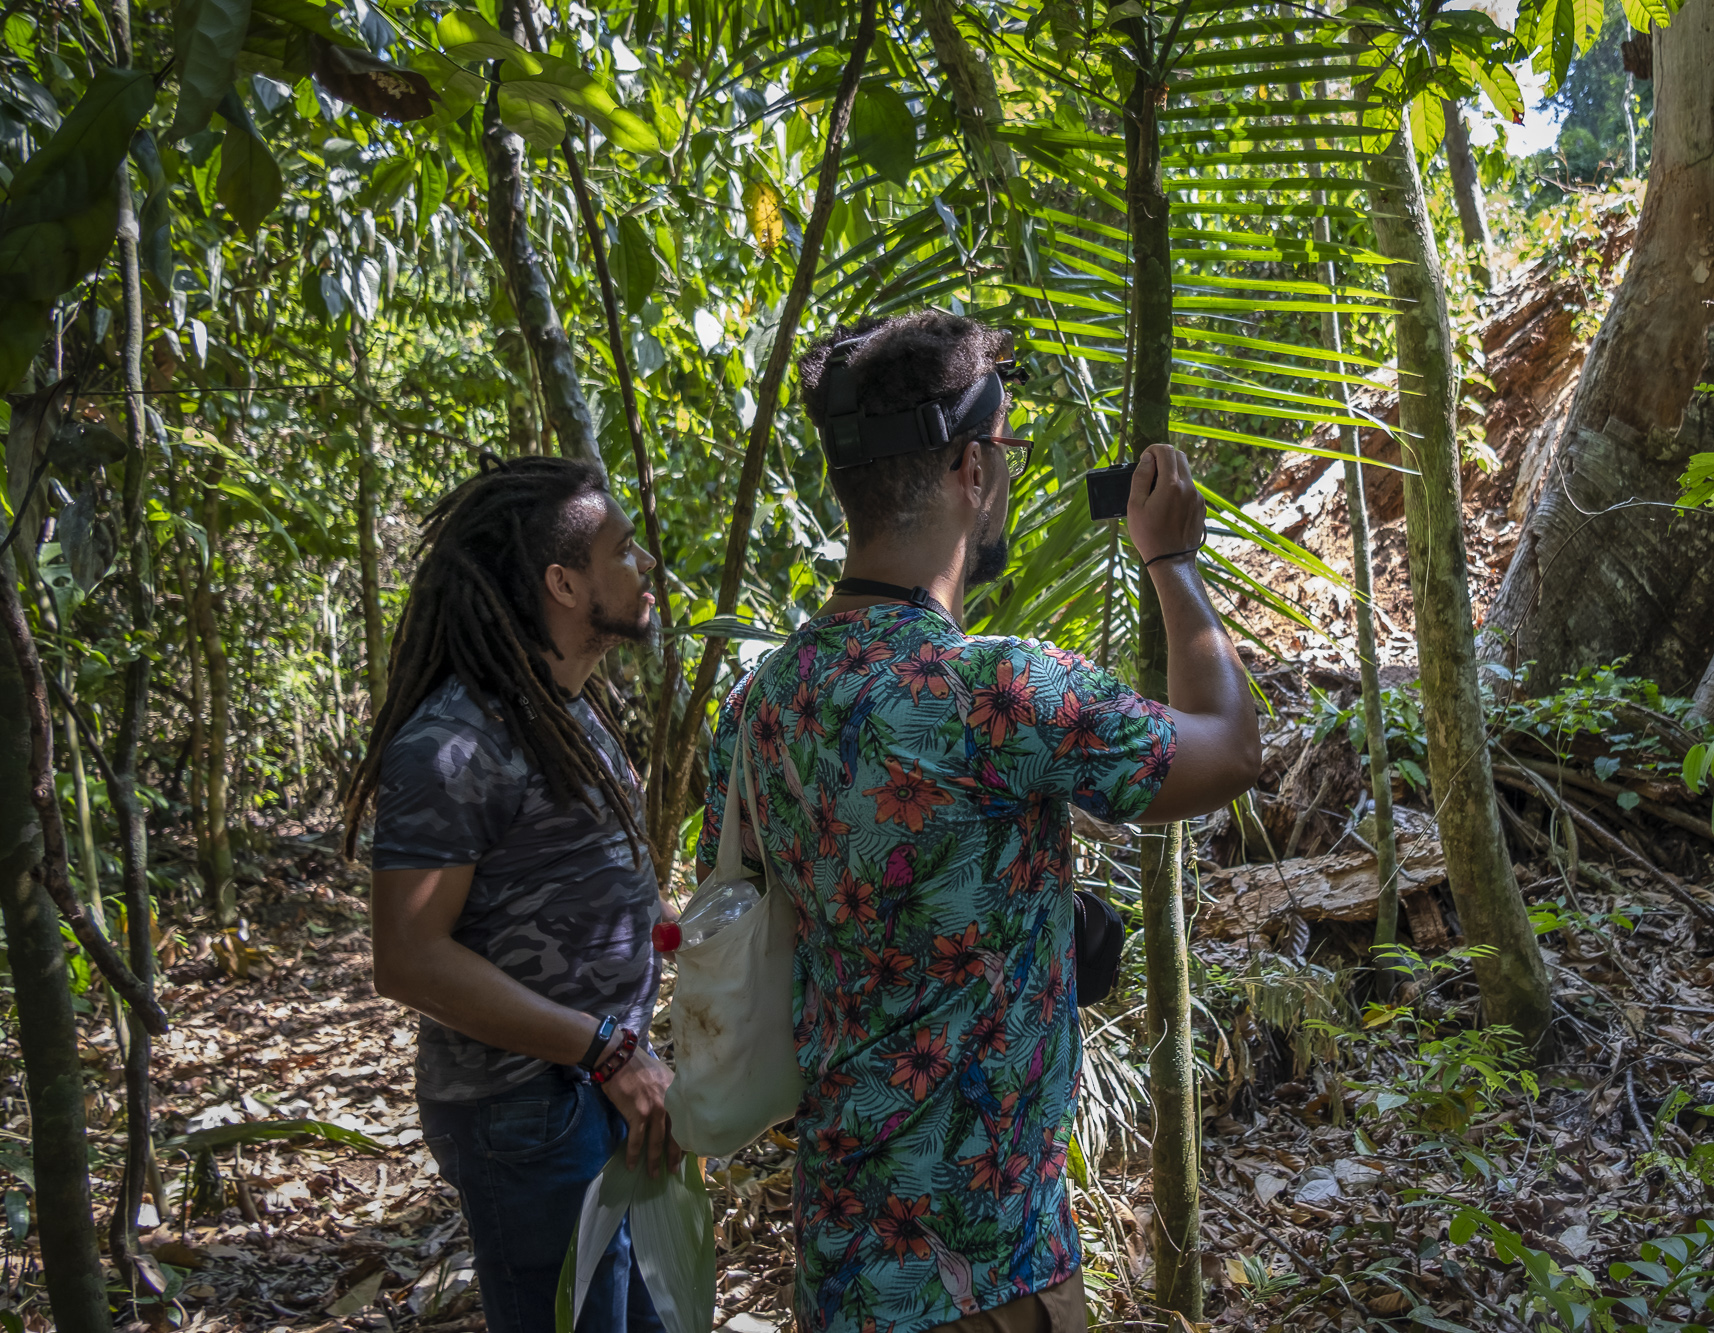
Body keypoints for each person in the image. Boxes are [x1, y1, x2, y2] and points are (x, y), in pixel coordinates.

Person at [693, 309, 1261, 1333]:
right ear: (968, 468)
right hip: (987, 1277)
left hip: (839, 1272)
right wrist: (1170, 561)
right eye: (1003, 452)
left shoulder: (757, 705)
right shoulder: (996, 689)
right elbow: (1227, 747)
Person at [342, 455, 675, 1333]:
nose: (646, 567)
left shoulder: (568, 704)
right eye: (624, 549)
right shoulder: (451, 742)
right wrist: (602, 1048)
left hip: (607, 1086)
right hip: (528, 1111)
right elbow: (409, 958)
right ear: (564, 582)